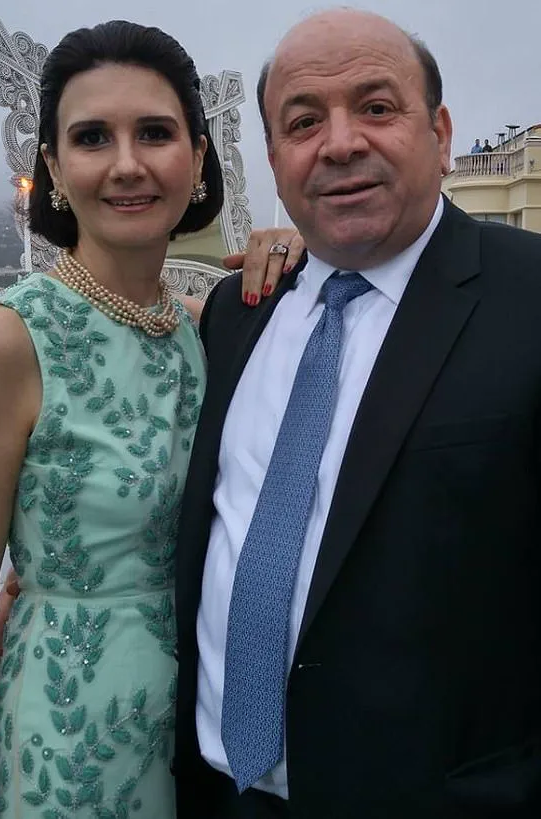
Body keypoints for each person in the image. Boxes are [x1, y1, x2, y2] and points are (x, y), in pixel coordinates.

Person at [0, 20, 298, 819]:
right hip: (64, 743)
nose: (127, 163)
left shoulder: (204, 331)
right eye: (92, 137)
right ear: (55, 168)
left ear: (197, 157)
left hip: (196, 739)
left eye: (155, 133)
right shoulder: (6, 342)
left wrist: (302, 254)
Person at [172, 8, 541, 819]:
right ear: (274, 158)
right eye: (304, 122)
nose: (340, 143)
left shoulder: (529, 298)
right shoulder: (238, 311)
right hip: (211, 790)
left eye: (376, 107)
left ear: (441, 134)